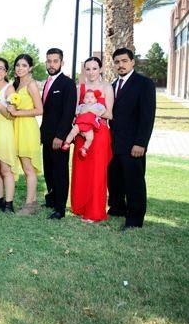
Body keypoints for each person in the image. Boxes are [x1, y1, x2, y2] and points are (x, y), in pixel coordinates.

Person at [107, 47, 156, 229]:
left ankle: (135, 219)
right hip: (113, 144)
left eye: (124, 61)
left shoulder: (144, 83)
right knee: (115, 179)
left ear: (132, 62)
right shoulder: (112, 86)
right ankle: (118, 208)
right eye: (117, 62)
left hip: (133, 144)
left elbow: (147, 116)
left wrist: (141, 143)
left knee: (134, 182)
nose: (121, 65)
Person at [69, 56, 113, 223]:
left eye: (95, 68)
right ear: (84, 71)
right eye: (88, 69)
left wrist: (91, 110)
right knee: (81, 171)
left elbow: (109, 114)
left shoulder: (107, 87)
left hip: (100, 133)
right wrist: (80, 122)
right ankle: (80, 206)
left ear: (100, 69)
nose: (91, 72)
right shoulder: (79, 88)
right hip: (81, 134)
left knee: (97, 172)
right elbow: (75, 111)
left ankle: (94, 211)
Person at [39, 48, 77, 220]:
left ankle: (60, 208)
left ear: (62, 62)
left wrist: (60, 136)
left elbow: (68, 113)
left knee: (60, 172)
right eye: (49, 61)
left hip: (58, 138)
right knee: (49, 170)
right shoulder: (47, 82)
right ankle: (52, 199)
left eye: (55, 61)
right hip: (46, 136)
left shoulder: (67, 84)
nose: (51, 64)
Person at [7, 54, 43, 216]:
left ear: (30, 68)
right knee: (24, 166)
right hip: (17, 127)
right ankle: (33, 201)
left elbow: (40, 109)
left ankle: (29, 205)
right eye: (17, 65)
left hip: (28, 127)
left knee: (29, 169)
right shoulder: (17, 84)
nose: (20, 68)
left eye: (23, 65)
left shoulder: (32, 85)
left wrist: (17, 112)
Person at [0, 58, 18, 213]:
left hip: (4, 130)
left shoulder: (9, 89)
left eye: (1, 68)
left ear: (6, 72)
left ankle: (9, 203)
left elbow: (12, 115)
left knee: (6, 169)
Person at [62, 89, 106, 157]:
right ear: (84, 100)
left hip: (89, 126)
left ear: (96, 100)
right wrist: (78, 112)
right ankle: (67, 143)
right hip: (79, 124)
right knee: (72, 132)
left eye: (92, 97)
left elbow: (104, 109)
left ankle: (84, 148)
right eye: (87, 97)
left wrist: (100, 113)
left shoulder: (97, 105)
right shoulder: (82, 106)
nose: (89, 99)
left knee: (90, 138)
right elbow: (76, 112)